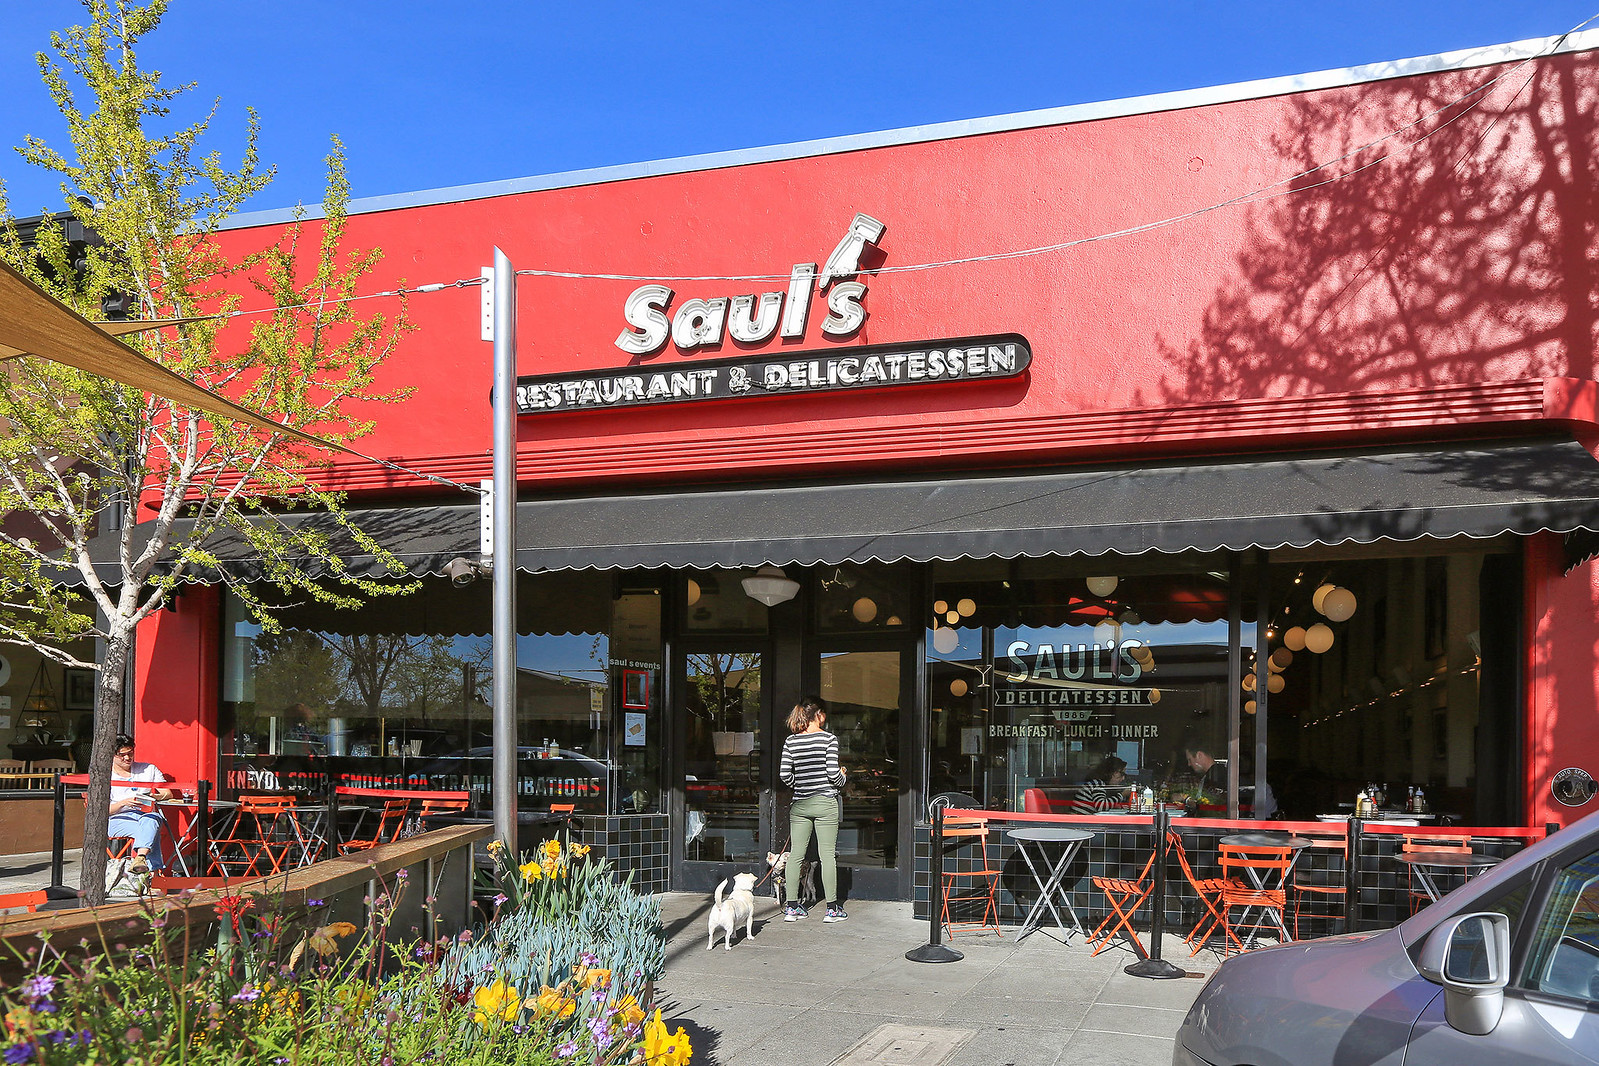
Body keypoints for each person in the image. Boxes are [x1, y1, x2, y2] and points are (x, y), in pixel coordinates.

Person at [778, 696, 847, 924]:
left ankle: (792, 908)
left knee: (796, 854)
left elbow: (784, 774)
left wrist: (800, 785)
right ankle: (832, 910)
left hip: (800, 804)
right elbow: (832, 773)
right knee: (827, 855)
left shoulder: (791, 741)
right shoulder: (829, 739)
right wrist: (843, 777)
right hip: (825, 802)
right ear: (819, 715)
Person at [108, 734, 173, 874]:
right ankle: (152, 873)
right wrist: (124, 803)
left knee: (153, 819)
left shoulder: (148, 769)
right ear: (112, 755)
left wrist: (153, 796)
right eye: (122, 755)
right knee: (151, 830)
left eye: (130, 753)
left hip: (145, 814)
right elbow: (102, 811)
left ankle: (140, 859)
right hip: (117, 818)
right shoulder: (105, 775)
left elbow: (168, 793)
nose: (127, 758)